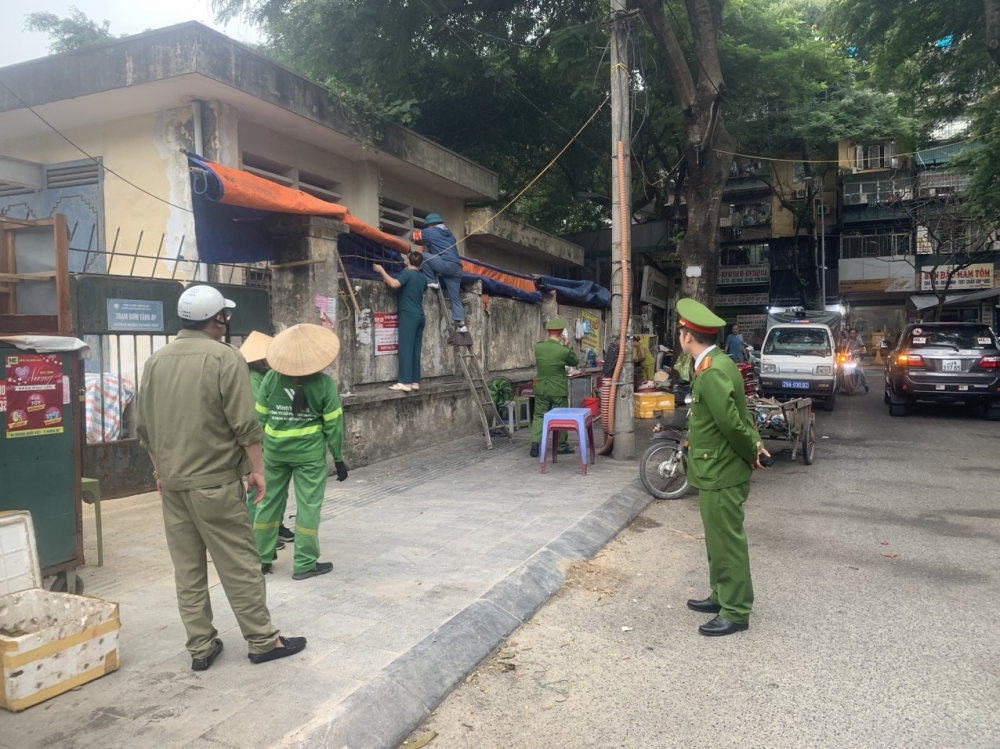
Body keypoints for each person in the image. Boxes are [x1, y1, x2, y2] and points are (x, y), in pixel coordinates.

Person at [136, 285, 306, 670]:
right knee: (240, 564)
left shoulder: (156, 361)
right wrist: (258, 470)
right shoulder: (225, 358)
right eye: (224, 318)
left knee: (188, 569)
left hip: (174, 486)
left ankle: (201, 647)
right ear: (218, 320)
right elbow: (245, 424)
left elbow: (144, 429)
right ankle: (263, 641)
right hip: (216, 483)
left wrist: (160, 471)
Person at [675, 297, 769, 637]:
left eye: (681, 330)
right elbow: (742, 414)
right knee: (716, 539)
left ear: (688, 337)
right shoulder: (720, 362)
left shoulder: (711, 372)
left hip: (721, 470)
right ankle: (721, 594)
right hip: (717, 468)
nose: (680, 334)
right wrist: (756, 444)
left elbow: (732, 424)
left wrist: (751, 452)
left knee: (727, 541)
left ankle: (736, 610)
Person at [254, 324, 349, 580]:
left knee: (267, 504)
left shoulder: (270, 379)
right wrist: (338, 458)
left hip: (273, 453)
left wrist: (256, 455)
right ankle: (305, 563)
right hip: (309, 457)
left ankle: (260, 560)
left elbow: (259, 419)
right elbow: (333, 424)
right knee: (308, 506)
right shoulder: (324, 383)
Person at [238, 331, 293, 546]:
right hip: (262, 441)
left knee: (277, 489)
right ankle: (256, 531)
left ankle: (275, 526)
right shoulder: (253, 379)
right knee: (260, 490)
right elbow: (256, 415)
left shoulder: (266, 376)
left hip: (272, 440)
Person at [374, 252, 427, 393]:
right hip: (420, 315)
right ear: (421, 264)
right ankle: (415, 381)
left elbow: (393, 284)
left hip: (408, 314)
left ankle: (404, 382)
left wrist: (381, 270)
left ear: (408, 262)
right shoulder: (423, 278)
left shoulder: (407, 274)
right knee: (416, 349)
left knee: (406, 348)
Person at [529, 318, 579, 458]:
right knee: (561, 416)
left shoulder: (539, 347)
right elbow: (574, 361)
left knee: (539, 415)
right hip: (557, 389)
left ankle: (535, 444)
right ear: (562, 334)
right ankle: (562, 446)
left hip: (541, 388)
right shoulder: (563, 350)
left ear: (548, 332)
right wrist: (567, 346)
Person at [412, 213, 467, 334]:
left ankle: (432, 281)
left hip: (446, 264)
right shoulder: (449, 233)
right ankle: (462, 325)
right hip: (457, 267)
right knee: (455, 297)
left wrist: (422, 240)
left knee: (422, 257)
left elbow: (412, 237)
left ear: (430, 224)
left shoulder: (430, 232)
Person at [843, 327, 870, 393]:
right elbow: (841, 350)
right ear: (849, 334)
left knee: (861, 372)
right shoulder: (845, 341)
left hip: (856, 359)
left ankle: (866, 386)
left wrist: (864, 351)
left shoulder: (858, 340)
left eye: (854, 333)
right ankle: (836, 388)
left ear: (856, 334)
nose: (852, 334)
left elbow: (863, 347)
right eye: (851, 333)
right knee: (839, 372)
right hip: (847, 360)